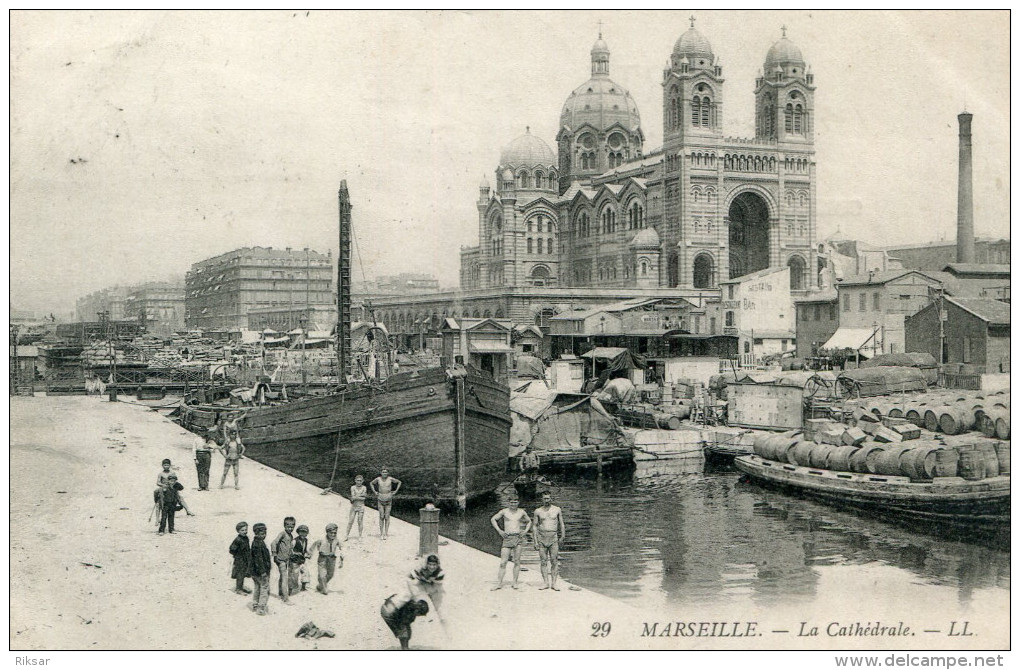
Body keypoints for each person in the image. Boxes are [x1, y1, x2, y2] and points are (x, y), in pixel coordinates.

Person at [490, 496, 532, 590]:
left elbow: (529, 521)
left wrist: (525, 531)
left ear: (518, 502)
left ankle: (515, 583)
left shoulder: (521, 512)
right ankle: (499, 583)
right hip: (507, 537)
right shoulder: (504, 511)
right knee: (503, 562)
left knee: (517, 561)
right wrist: (499, 531)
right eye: (512, 502)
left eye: (515, 502)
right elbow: (493, 519)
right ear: (509, 503)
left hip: (517, 537)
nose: (513, 504)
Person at [533, 491, 565, 591]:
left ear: (551, 499)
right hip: (542, 538)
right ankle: (546, 582)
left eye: (548, 498)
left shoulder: (557, 509)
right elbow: (534, 526)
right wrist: (535, 540)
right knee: (543, 561)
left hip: (553, 537)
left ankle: (554, 583)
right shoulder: (538, 511)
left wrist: (563, 536)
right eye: (544, 498)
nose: (546, 500)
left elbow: (561, 523)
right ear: (542, 499)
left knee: (554, 560)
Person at [407, 554, 445, 619]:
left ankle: (440, 617)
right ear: (426, 564)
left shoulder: (440, 573)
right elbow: (410, 578)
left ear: (437, 565)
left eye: (434, 565)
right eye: (430, 564)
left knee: (437, 600)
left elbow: (437, 585)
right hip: (419, 582)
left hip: (432, 584)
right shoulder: (420, 569)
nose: (432, 567)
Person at [310, 523, 343, 594]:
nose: (333, 535)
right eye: (331, 533)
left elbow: (342, 549)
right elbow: (314, 546)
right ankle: (324, 589)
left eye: (335, 533)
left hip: (332, 559)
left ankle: (320, 585)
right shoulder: (321, 539)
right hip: (322, 558)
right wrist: (309, 555)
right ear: (327, 532)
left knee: (330, 575)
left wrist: (341, 559)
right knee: (322, 575)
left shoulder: (337, 540)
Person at [370, 469, 402, 539]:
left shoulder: (390, 479)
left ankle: (386, 533)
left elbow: (399, 482)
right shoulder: (378, 479)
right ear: (381, 473)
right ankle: (381, 533)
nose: (384, 473)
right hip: (380, 498)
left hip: (388, 498)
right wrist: (375, 492)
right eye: (383, 472)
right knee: (381, 516)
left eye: (386, 472)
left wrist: (395, 491)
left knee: (387, 516)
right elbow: (371, 483)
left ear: (388, 473)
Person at [271, 517, 296, 604]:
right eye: (288, 527)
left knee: (282, 577)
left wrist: (291, 553)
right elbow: (274, 543)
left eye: (292, 527)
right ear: (284, 526)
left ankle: (281, 593)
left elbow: (289, 546)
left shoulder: (291, 535)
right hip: (280, 559)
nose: (290, 528)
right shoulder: (282, 534)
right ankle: (286, 598)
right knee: (284, 578)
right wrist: (274, 554)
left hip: (286, 559)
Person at [250, 523, 272, 615]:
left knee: (257, 587)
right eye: (262, 534)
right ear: (256, 534)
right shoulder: (258, 544)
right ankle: (261, 607)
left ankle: (255, 604)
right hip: (261, 572)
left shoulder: (255, 542)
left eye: (265, 533)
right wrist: (263, 572)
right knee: (264, 588)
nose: (264, 535)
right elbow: (259, 560)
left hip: (255, 572)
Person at [229, 522, 252, 594]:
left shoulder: (246, 538)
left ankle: (241, 587)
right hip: (240, 560)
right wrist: (238, 555)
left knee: (244, 573)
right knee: (240, 574)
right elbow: (231, 549)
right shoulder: (238, 540)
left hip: (246, 559)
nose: (245, 532)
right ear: (238, 531)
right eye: (242, 530)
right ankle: (238, 589)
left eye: (246, 530)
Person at [345, 475, 367, 541]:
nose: (359, 482)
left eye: (360, 481)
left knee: (360, 521)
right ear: (355, 481)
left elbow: (363, 498)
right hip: (354, 506)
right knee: (350, 521)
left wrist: (356, 497)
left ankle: (360, 536)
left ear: (362, 481)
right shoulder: (353, 487)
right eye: (358, 480)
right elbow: (353, 496)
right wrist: (361, 495)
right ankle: (346, 535)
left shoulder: (364, 487)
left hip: (361, 506)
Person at [291, 525, 312, 593]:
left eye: (305, 532)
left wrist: (308, 554)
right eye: (301, 532)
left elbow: (304, 550)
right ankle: (292, 589)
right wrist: (296, 553)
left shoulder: (306, 540)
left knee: (305, 572)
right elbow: (290, 550)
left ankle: (303, 587)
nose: (303, 534)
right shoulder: (294, 541)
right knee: (295, 575)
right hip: (295, 560)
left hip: (302, 560)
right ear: (298, 532)